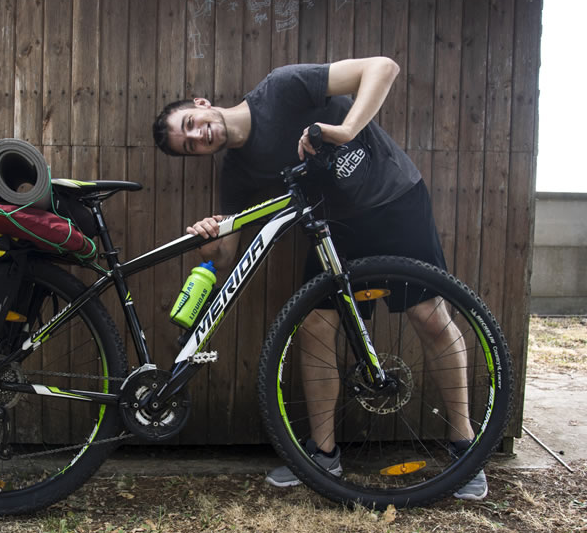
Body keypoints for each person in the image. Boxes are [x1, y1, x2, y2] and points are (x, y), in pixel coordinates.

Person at [151, 57, 488, 501]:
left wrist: (344, 131)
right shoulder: (237, 171)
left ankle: (466, 449)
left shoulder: (281, 88)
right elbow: (227, 253)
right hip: (334, 229)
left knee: (429, 316)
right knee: (314, 327)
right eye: (189, 144)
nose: (198, 136)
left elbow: (383, 68)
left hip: (394, 199)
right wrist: (209, 240)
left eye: (192, 124)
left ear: (202, 104)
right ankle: (323, 454)